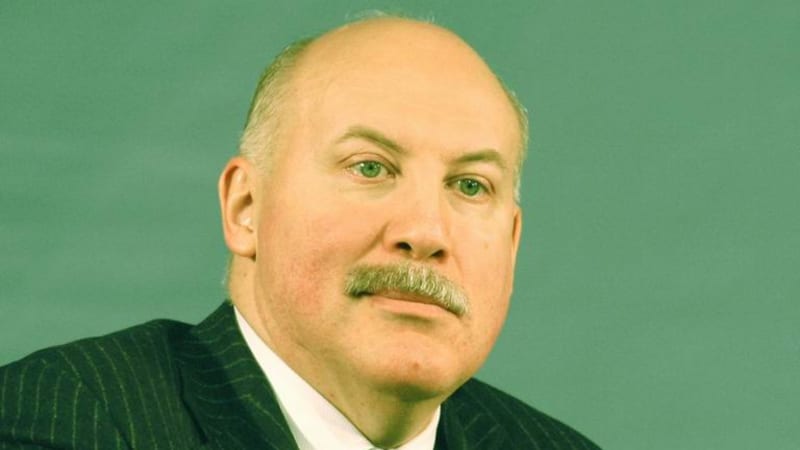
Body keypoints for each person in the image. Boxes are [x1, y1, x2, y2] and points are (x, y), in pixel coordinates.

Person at [0, 16, 601, 450]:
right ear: (246, 208)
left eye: (470, 185)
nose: (425, 231)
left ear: (512, 245)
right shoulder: (69, 419)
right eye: (370, 168)